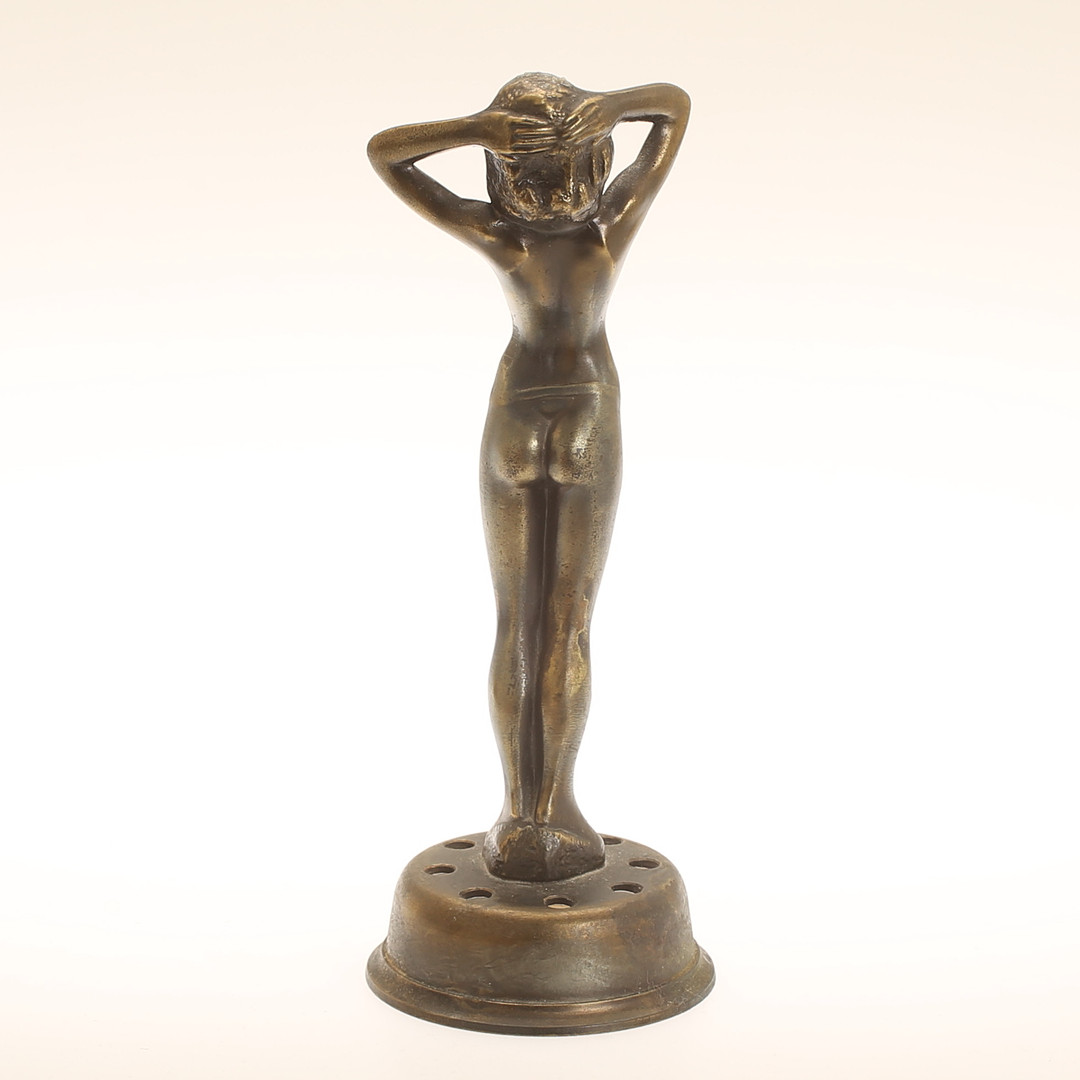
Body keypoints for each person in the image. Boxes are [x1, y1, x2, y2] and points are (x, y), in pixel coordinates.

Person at [368, 73, 690, 881]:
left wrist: (479, 128)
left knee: (517, 623)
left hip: (514, 417)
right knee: (567, 624)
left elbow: (388, 156)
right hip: (585, 411)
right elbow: (673, 110)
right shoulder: (609, 225)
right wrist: (612, 108)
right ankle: (556, 810)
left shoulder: (499, 233)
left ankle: (520, 816)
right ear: (596, 161)